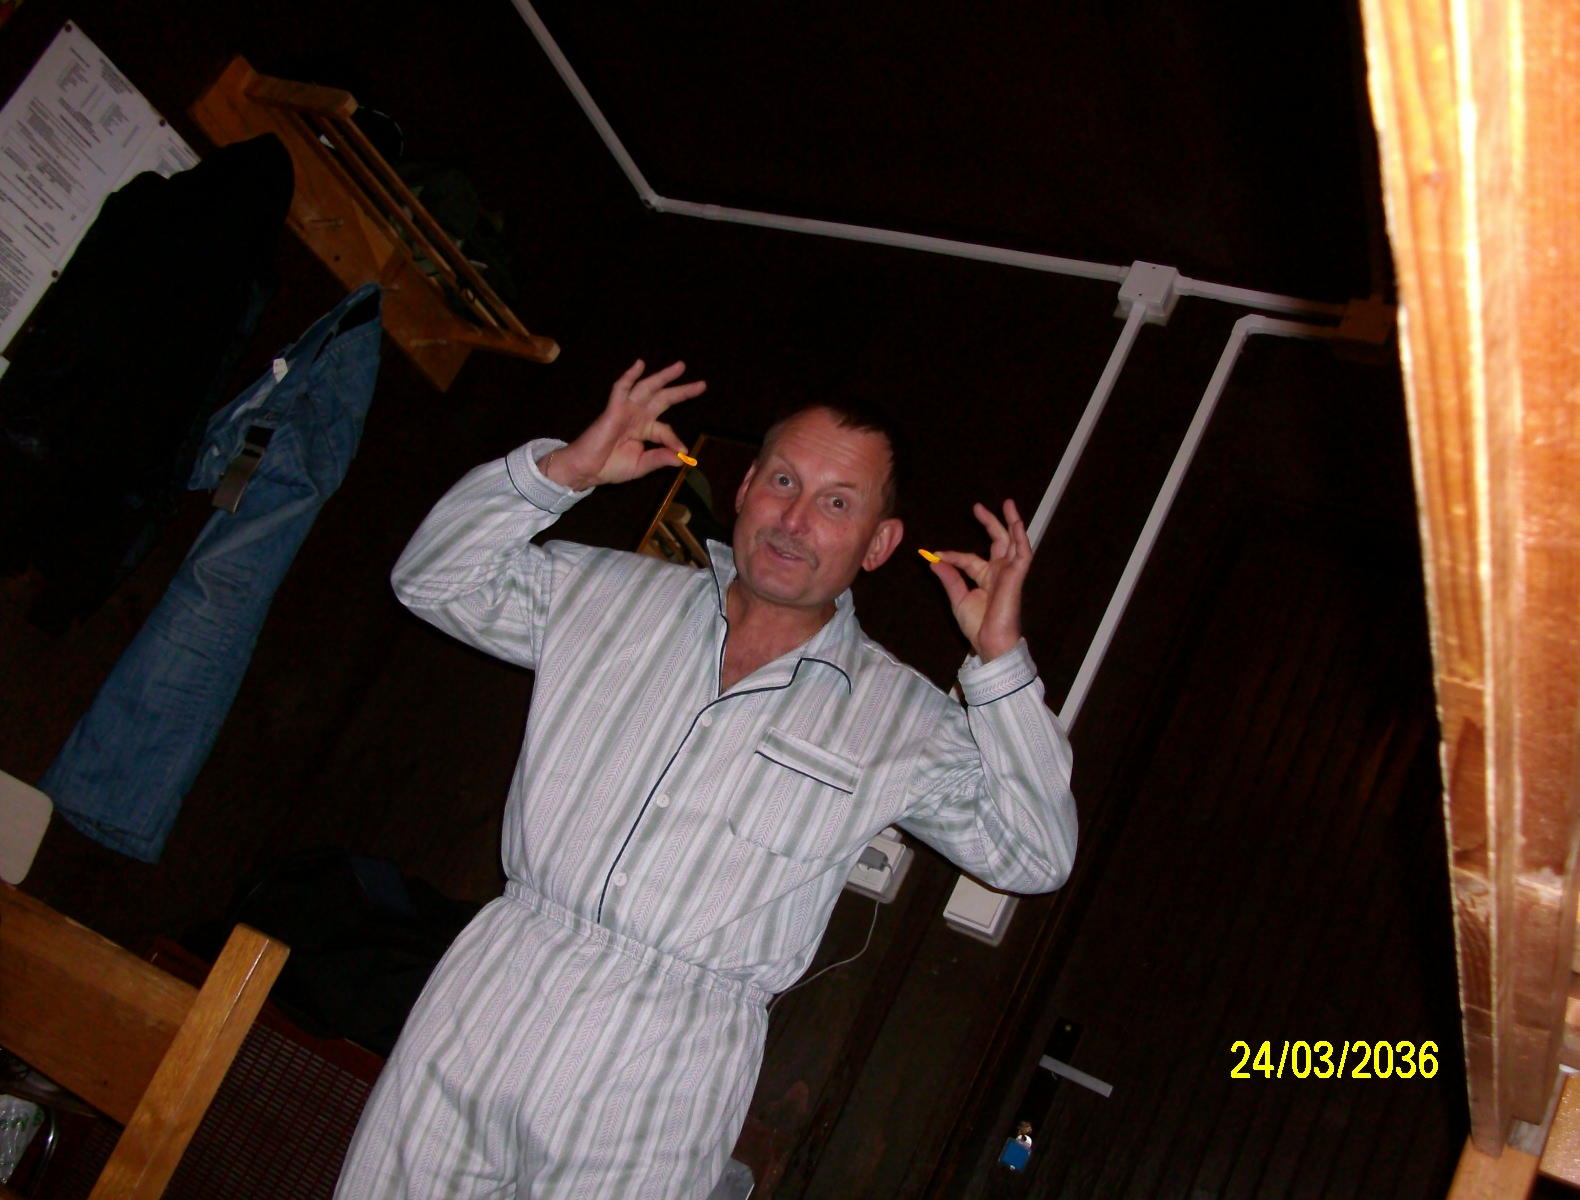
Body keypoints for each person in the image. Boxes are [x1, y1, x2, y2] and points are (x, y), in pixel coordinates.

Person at [334, 360, 1078, 1200]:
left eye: (837, 503)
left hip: (670, 1061)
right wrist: (566, 470)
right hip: (493, 989)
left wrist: (1000, 661)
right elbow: (432, 579)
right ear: (746, 488)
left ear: (878, 544)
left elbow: (1035, 854)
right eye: (784, 482)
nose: (795, 519)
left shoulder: (904, 719)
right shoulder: (603, 591)